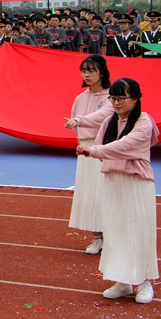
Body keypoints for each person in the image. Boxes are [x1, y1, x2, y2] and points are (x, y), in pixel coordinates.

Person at [76, 78, 158, 304]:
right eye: (113, 98)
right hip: (113, 182)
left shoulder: (143, 122)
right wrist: (94, 149)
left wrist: (93, 150)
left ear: (135, 99)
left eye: (121, 98)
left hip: (136, 183)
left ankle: (143, 281)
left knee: (138, 230)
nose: (116, 103)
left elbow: (125, 145)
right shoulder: (109, 122)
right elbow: (104, 146)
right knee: (116, 230)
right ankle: (122, 280)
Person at [64, 55, 114, 254]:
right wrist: (80, 133)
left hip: (104, 149)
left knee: (105, 192)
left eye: (91, 70)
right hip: (85, 150)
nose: (86, 75)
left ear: (101, 72)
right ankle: (98, 237)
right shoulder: (80, 98)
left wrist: (80, 120)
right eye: (84, 71)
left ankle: (111, 235)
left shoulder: (111, 96)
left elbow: (103, 116)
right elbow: (76, 122)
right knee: (88, 194)